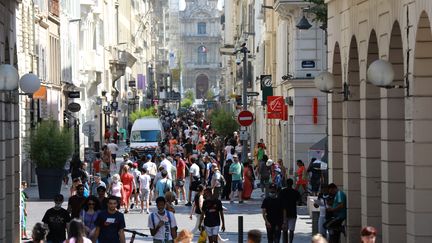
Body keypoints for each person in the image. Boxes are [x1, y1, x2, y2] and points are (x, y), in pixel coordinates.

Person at [279, 179, 301, 243]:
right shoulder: (295, 192)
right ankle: (290, 241)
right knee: (291, 230)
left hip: (284, 213)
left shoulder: (282, 192)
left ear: (286, 184)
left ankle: (285, 242)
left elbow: (279, 201)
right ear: (292, 184)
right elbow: (299, 201)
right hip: (293, 213)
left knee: (284, 230)